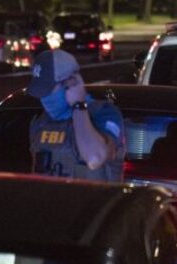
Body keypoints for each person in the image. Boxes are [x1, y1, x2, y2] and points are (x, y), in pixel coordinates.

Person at [27, 49, 125, 182]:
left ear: (71, 83)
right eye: (41, 92)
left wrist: (78, 105)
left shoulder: (105, 113)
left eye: (48, 90)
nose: (44, 98)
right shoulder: (41, 123)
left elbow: (94, 158)